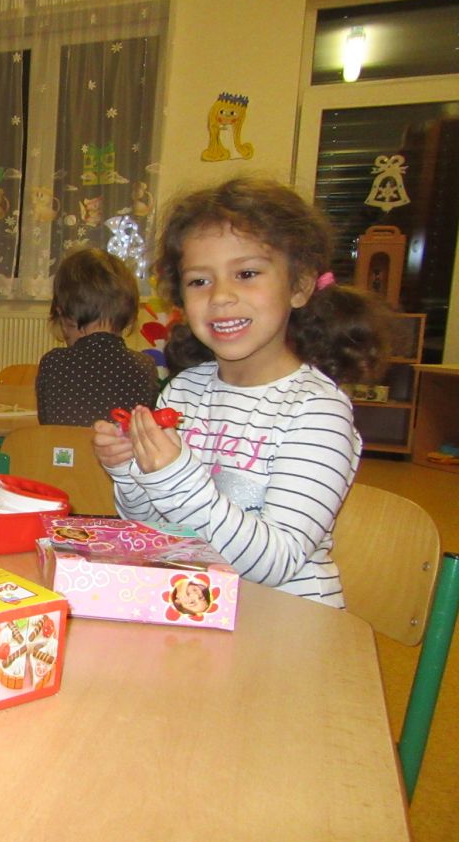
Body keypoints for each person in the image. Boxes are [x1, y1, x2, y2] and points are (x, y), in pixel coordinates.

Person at [92, 177, 390, 608]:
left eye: (247, 274)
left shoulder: (317, 411)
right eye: (199, 281)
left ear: (300, 286)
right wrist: (131, 470)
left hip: (291, 623)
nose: (221, 297)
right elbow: (157, 529)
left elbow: (275, 563)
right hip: (198, 609)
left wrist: (172, 476)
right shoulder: (185, 390)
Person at [36, 247, 158, 425]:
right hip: (121, 445)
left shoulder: (53, 363)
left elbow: (46, 424)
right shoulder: (144, 367)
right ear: (128, 315)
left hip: (64, 444)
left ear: (63, 314)